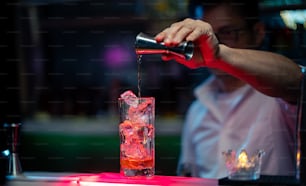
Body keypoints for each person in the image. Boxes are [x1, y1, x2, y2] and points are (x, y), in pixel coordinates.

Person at [154, 0, 304, 179]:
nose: (212, 41)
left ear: (257, 33)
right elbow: (188, 175)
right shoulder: (197, 110)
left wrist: (218, 54)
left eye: (227, 32)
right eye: (208, 34)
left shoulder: (277, 96)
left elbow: (297, 81)